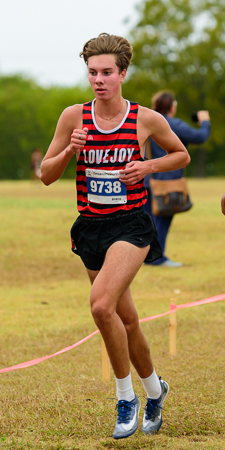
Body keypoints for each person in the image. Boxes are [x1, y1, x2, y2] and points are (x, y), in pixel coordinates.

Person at [40, 33, 190, 440]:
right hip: (90, 227)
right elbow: (46, 175)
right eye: (92, 72)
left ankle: (126, 398)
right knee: (126, 319)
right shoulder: (74, 116)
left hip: (131, 226)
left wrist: (147, 168)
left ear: (123, 73)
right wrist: (70, 151)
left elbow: (181, 154)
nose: (99, 80)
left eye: (107, 72)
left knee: (101, 304)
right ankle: (156, 390)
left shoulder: (144, 119)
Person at [144, 91, 211, 267]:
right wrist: (205, 122)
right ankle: (157, 258)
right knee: (163, 220)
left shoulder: (145, 121)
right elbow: (200, 137)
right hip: (168, 181)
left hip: (145, 179)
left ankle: (144, 256)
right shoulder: (173, 124)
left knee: (147, 221)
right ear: (172, 106)